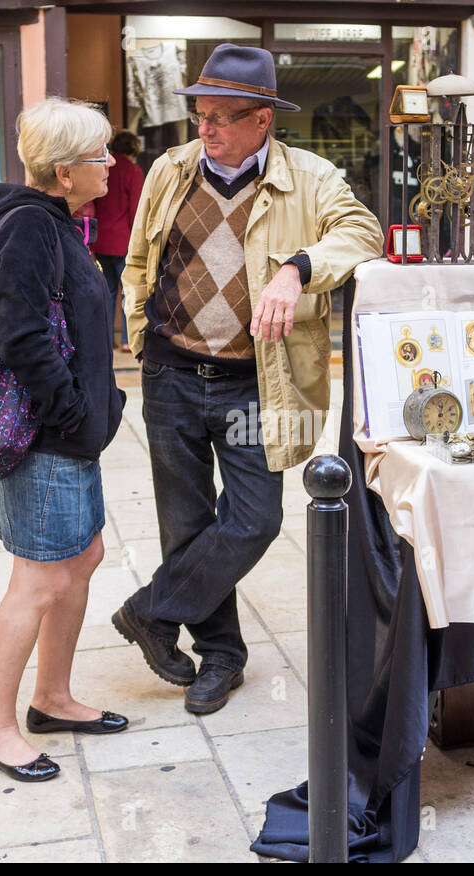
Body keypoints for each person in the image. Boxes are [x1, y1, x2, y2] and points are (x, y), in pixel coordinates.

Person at [115, 44, 382, 714]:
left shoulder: (312, 179)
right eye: (200, 115)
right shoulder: (171, 169)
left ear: (263, 119)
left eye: (222, 118)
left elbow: (363, 234)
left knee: (255, 520)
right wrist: (140, 332)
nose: (205, 130)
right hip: (173, 370)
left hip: (255, 380)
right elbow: (141, 257)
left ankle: (151, 609)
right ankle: (222, 656)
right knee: (185, 522)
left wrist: (297, 268)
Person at [0, 98, 128, 781]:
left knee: (82, 557)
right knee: (38, 580)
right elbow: (24, 336)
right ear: (64, 172)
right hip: (47, 440)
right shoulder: (29, 229)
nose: (113, 165)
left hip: (71, 435)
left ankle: (52, 697)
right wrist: (68, 412)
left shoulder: (56, 220)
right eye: (100, 157)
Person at [93, 131, 145, 352]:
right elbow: (137, 210)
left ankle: (106, 339)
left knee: (108, 291)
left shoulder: (103, 169)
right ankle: (127, 340)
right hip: (124, 241)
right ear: (133, 150)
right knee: (129, 291)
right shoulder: (133, 171)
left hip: (102, 240)